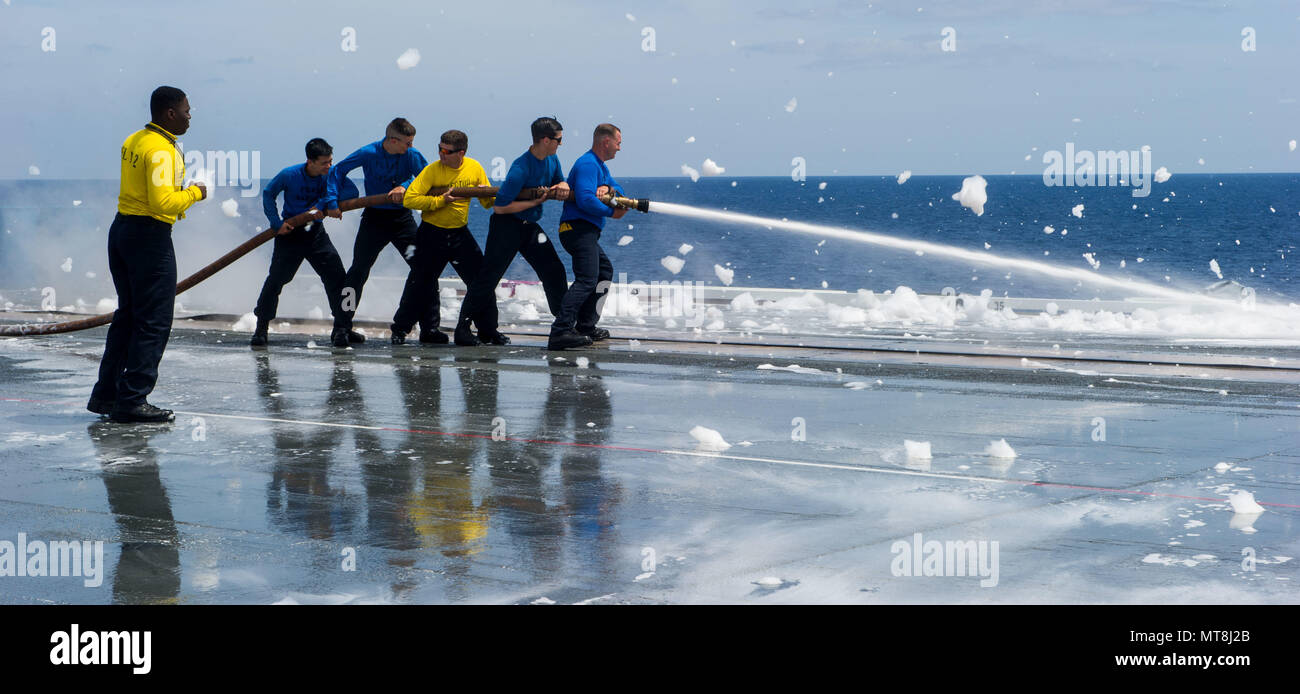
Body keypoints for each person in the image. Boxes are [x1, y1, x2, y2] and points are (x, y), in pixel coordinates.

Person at [87, 86, 207, 423]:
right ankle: (133, 398)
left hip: (122, 231)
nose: (189, 115)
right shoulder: (160, 151)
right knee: (153, 322)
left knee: (127, 316)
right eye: (186, 110)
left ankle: (106, 395)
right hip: (149, 238)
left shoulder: (134, 140)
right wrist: (196, 193)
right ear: (170, 113)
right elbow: (162, 203)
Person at [453, 117, 571, 347]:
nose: (560, 144)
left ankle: (564, 326)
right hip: (506, 226)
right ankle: (463, 328)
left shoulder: (552, 158)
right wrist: (535, 203)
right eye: (559, 140)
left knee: (554, 271)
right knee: (488, 278)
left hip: (529, 228)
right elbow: (500, 206)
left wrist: (563, 186)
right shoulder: (520, 167)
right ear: (545, 140)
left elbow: (560, 181)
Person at [322, 118, 432, 347]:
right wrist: (332, 201)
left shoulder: (412, 156)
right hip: (374, 219)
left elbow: (428, 177)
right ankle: (341, 328)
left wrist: (406, 185)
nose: (410, 147)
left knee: (423, 269)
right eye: (406, 143)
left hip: (402, 220)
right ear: (393, 140)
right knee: (357, 273)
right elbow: (337, 171)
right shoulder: (368, 152)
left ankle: (427, 327)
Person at [391, 130, 494, 345]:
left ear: (461, 153)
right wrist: (440, 202)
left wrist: (487, 193)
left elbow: (487, 204)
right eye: (439, 148)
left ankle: (487, 330)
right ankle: (402, 329)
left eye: (446, 151)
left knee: (481, 281)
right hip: (431, 233)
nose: (441, 154)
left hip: (459, 233)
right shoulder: (432, 170)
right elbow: (410, 199)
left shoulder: (474, 168)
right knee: (420, 283)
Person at [249, 138, 347, 347]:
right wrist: (276, 223)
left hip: (316, 234)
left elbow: (351, 193)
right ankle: (261, 327)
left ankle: (343, 327)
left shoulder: (330, 175)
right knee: (276, 279)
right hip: (290, 232)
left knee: (339, 277)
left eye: (331, 161)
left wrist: (324, 204)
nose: (329, 166)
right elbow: (268, 194)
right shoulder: (289, 174)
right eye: (324, 162)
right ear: (310, 162)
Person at [549, 123, 627, 350]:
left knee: (604, 271)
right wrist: (612, 212)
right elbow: (584, 199)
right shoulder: (587, 164)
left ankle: (585, 326)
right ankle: (560, 331)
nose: (619, 148)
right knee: (587, 279)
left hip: (586, 231)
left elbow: (618, 188)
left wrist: (609, 189)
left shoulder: (600, 167)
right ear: (606, 142)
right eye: (618, 143)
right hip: (576, 229)